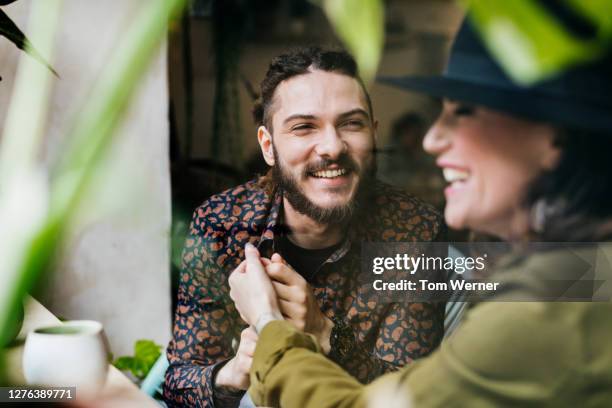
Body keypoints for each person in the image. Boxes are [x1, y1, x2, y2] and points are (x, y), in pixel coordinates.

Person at [228, 19, 612, 407]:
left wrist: (269, 323)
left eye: (462, 111)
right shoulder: (574, 274)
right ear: (268, 145)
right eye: (304, 127)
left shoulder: (545, 308)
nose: (432, 139)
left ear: (555, 137)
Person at [163, 47, 446, 407]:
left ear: (373, 136)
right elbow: (177, 384)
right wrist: (233, 373)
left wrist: (324, 332)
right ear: (268, 146)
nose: (332, 146)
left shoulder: (416, 233)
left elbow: (415, 398)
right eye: (303, 127)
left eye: (351, 123)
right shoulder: (221, 224)